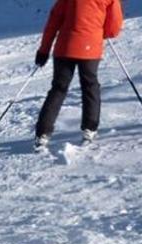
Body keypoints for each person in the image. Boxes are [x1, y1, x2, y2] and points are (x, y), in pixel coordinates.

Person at [34, 0, 123, 150]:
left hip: (65, 47)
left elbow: (53, 21)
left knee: (58, 89)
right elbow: (113, 29)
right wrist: (101, 32)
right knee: (90, 86)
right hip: (90, 47)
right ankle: (90, 128)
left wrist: (44, 50)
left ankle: (42, 133)